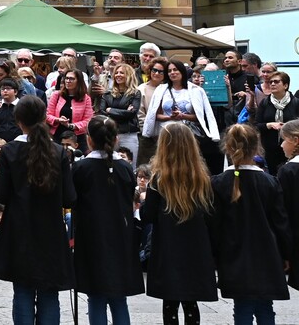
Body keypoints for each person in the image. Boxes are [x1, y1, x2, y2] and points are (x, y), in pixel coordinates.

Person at [0, 95, 75, 325]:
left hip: (19, 229)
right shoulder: (58, 151)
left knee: (23, 290)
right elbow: (69, 197)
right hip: (51, 230)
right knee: (49, 291)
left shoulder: (10, 151)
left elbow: (0, 195)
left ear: (18, 120)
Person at [210, 124, 289, 324]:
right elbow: (280, 222)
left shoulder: (218, 182)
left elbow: (214, 225)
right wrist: (287, 253)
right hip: (267, 252)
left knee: (242, 306)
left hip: (233, 253)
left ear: (228, 148)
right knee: (265, 306)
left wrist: (214, 255)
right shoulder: (270, 182)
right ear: (256, 148)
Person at [141, 122, 217, 325]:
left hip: (168, 246)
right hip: (196, 247)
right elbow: (211, 215)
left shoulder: (159, 179)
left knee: (170, 301)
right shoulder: (202, 178)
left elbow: (148, 215)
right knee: (191, 302)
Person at [72, 116, 143, 325]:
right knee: (119, 298)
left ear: (89, 139)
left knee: (96, 296)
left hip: (91, 237)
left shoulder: (81, 168)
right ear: (116, 139)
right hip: (120, 236)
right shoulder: (125, 168)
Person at [142, 59, 221, 174]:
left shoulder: (195, 90)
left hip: (187, 134)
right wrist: (171, 117)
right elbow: (156, 114)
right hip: (166, 133)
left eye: (175, 70)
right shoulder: (161, 90)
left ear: (182, 71)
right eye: (169, 71)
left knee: (187, 164)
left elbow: (199, 116)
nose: (172, 73)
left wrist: (182, 116)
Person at [256, 70, 299, 174]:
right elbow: (257, 125)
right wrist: (269, 125)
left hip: (292, 147)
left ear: (285, 85)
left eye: (276, 82)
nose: (272, 84)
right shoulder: (265, 103)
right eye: (271, 82)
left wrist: (288, 127)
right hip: (270, 148)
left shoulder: (296, 102)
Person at [100, 63, 143, 166]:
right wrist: (124, 112)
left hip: (128, 134)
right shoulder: (107, 94)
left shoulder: (135, 93)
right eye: (116, 73)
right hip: (111, 134)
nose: (118, 75)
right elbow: (102, 112)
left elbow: (132, 114)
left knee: (130, 165)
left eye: (122, 73)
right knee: (109, 164)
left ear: (128, 76)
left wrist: (110, 110)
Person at [278, 119, 299, 292]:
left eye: (284, 140)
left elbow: (283, 211)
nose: (282, 145)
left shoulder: (289, 171)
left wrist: (285, 250)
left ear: (295, 140)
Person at [47, 68, 92, 145]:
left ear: (78, 81)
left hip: (77, 138)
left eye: (71, 79)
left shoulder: (86, 98)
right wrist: (58, 120)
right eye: (66, 78)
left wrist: (71, 126)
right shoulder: (56, 95)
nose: (68, 81)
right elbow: (48, 115)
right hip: (58, 136)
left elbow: (88, 120)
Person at [137, 56, 168, 165]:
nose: (157, 73)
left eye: (161, 71)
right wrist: (147, 132)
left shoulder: (168, 88)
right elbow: (140, 114)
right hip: (147, 137)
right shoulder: (141, 89)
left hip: (166, 136)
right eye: (154, 70)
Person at [0, 79, 22, 143]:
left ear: (15, 92)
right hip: (0, 144)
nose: (5, 91)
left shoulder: (22, 106)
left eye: (8, 89)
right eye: (3, 89)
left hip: (18, 143)